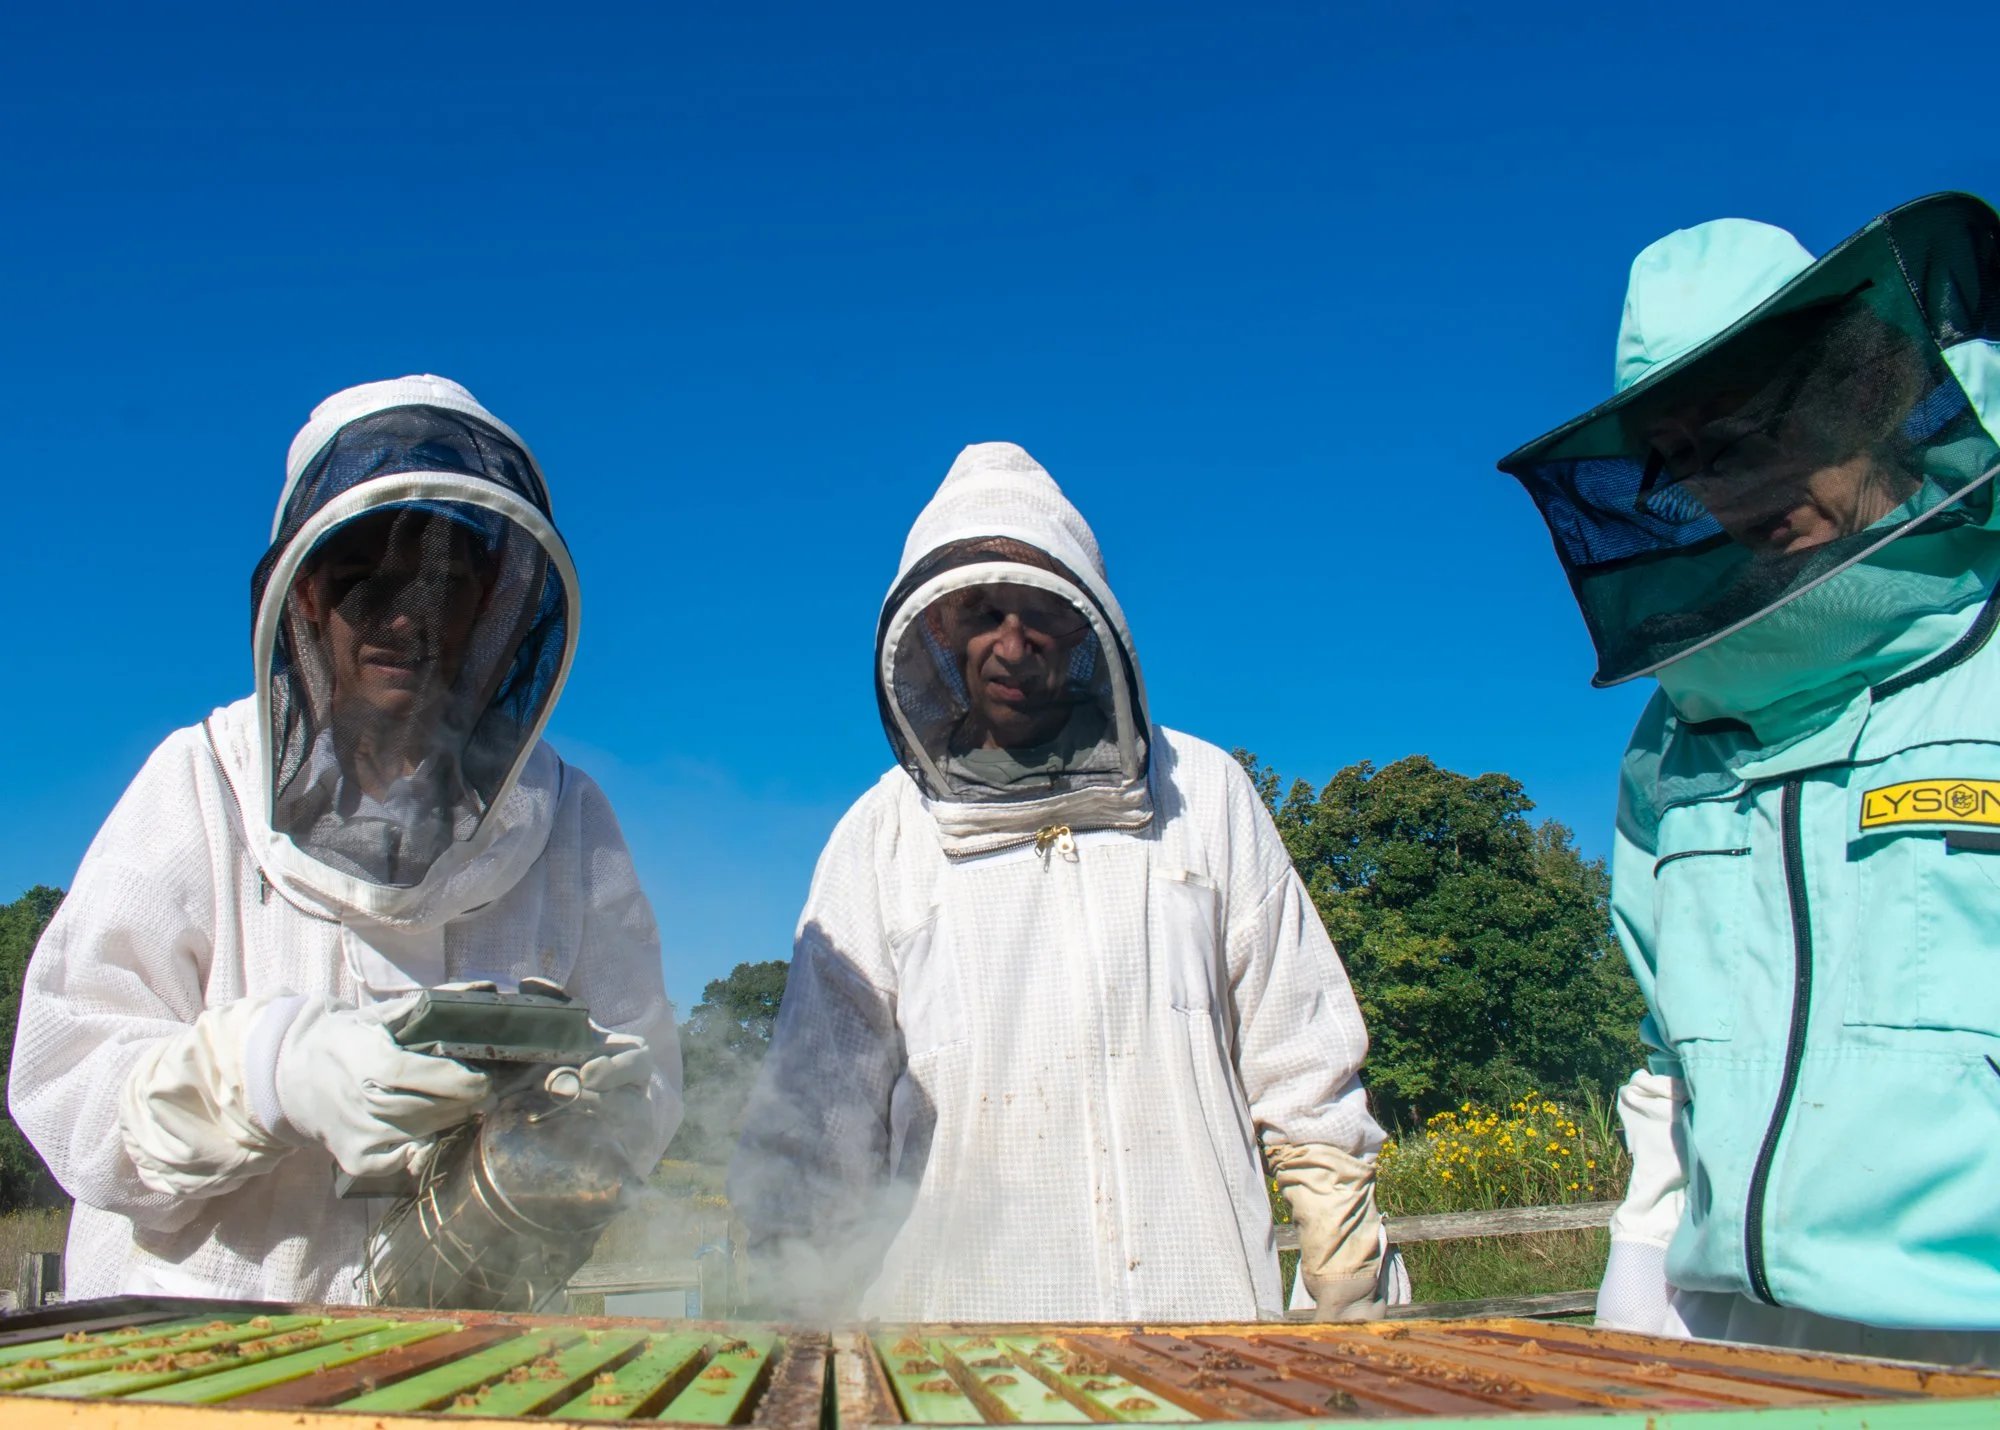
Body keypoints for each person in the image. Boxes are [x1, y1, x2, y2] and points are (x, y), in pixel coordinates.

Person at [8, 375, 682, 1303]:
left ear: (494, 606)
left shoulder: (566, 818)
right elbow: (67, 1082)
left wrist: (569, 1114)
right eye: (368, 578)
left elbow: (642, 1081)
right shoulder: (198, 784)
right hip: (200, 1348)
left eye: (445, 583)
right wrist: (272, 1072)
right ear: (309, 595)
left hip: (470, 1358)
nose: (408, 617)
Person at [1498, 193, 2000, 1361]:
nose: (1730, 486)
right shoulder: (1672, 745)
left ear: (1867, 382)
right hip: (1739, 1342)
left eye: (1759, 427)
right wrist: (1635, 1316)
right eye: (1688, 461)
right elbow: (1673, 1069)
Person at [729, 441, 1392, 1323]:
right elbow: (817, 1123)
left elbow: (1299, 1048)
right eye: (980, 610)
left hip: (1203, 1336)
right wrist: (793, 1313)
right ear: (937, 628)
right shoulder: (879, 837)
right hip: (949, 1358)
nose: (1011, 643)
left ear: (1085, 623)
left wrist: (1337, 1230)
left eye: (1039, 606)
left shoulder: (1206, 796)